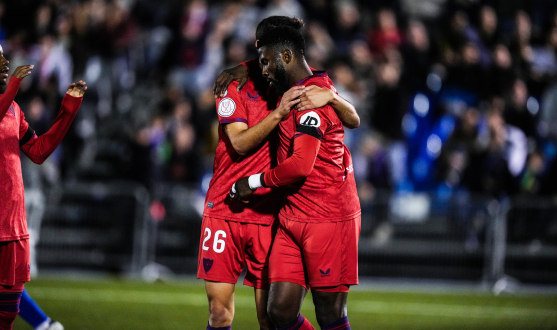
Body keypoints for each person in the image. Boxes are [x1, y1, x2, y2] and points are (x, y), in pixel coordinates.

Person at [199, 16, 359, 330]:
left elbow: (302, 163)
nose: (263, 67)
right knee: (279, 313)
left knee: (328, 314)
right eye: (258, 58)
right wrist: (243, 68)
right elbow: (239, 143)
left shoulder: (310, 96)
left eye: (265, 59)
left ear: (283, 55)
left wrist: (253, 180)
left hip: (326, 216)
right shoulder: (264, 85)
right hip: (286, 215)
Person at [0, 43, 86, 330]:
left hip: (12, 226)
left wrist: (68, 109)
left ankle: (44, 325)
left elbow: (38, 151)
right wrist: (13, 84)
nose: (4, 65)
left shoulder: (13, 109)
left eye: (3, 59)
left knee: (8, 315)